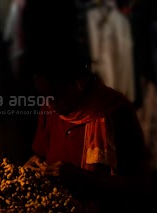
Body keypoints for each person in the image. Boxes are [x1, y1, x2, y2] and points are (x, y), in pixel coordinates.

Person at [21, 0, 152, 213]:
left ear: (78, 81)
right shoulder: (50, 107)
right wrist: (32, 168)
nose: (53, 105)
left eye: (57, 96)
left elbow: (141, 187)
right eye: (46, 97)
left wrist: (85, 180)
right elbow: (41, 156)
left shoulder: (115, 111)